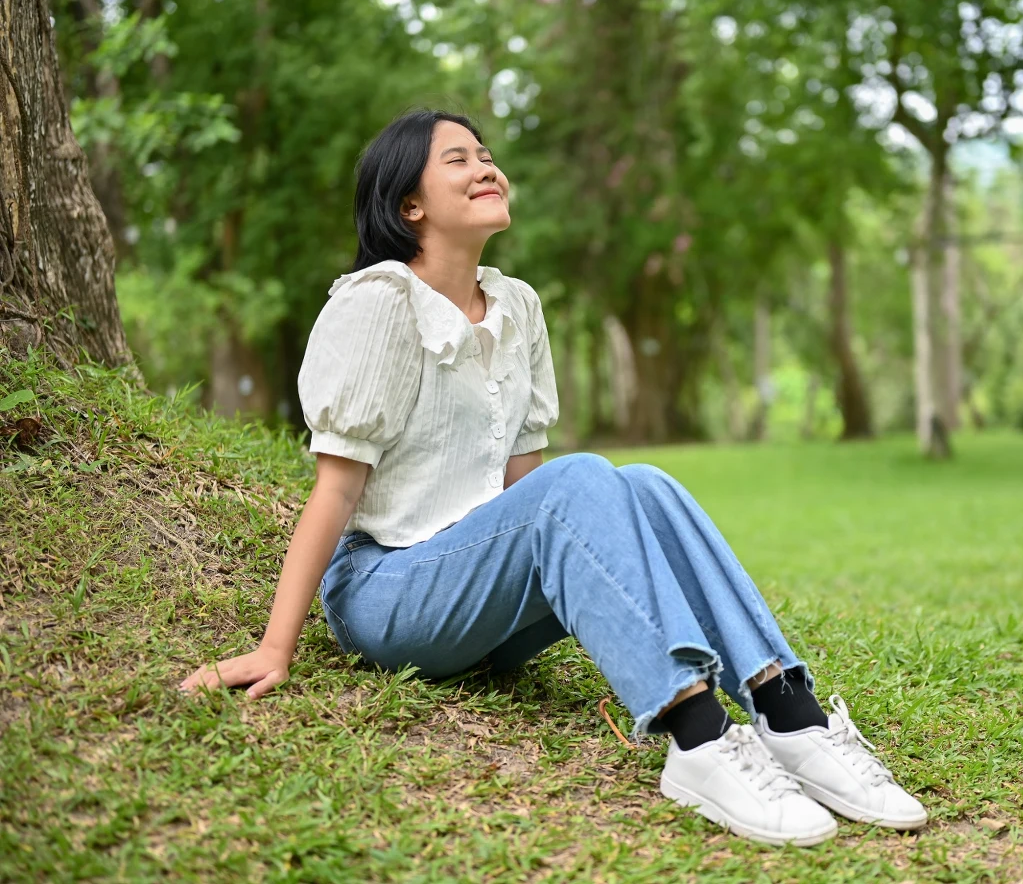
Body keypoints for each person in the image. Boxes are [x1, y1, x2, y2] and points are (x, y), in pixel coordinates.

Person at [178, 109, 927, 846]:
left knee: (645, 487)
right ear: (410, 204)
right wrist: (277, 647)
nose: (486, 167)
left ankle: (791, 716)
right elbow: (336, 491)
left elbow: (527, 500)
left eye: (487, 154)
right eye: (458, 159)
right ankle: (698, 737)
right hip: (390, 594)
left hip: (481, 604)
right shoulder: (379, 303)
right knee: (584, 479)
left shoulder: (518, 306)